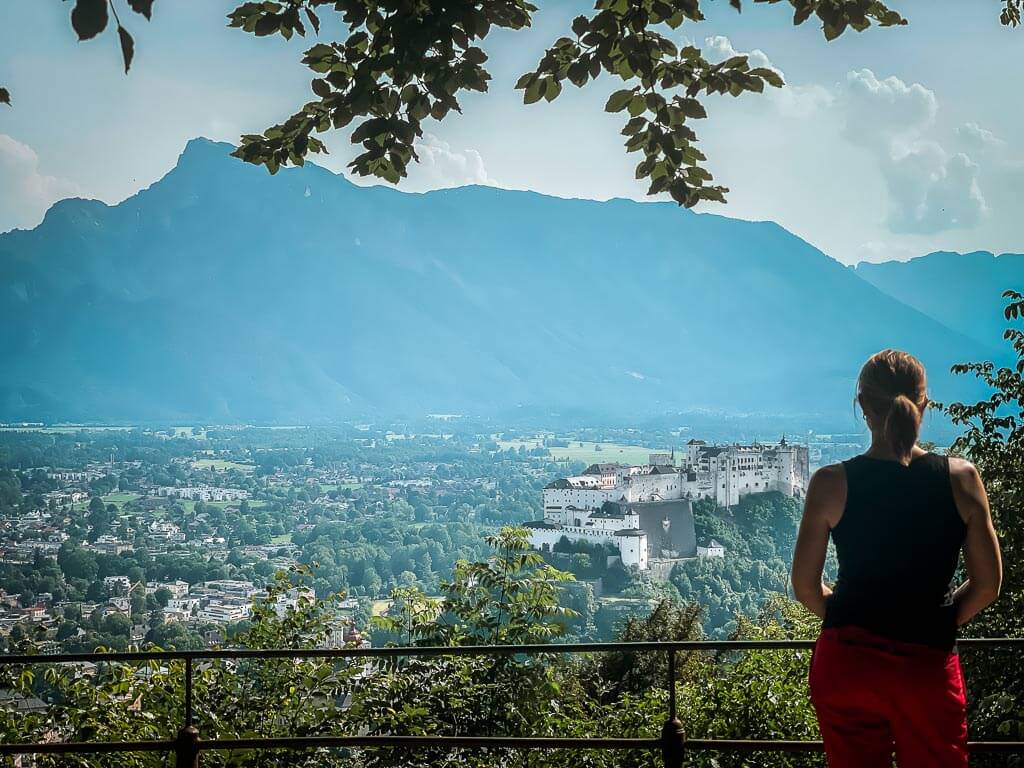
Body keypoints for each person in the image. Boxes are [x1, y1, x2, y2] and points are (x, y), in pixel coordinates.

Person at [792, 349, 1002, 768]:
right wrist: (938, 619)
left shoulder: (832, 483)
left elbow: (804, 585)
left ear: (863, 407)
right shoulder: (961, 480)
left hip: (847, 663)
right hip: (925, 664)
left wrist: (847, 619)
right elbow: (987, 585)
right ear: (924, 405)